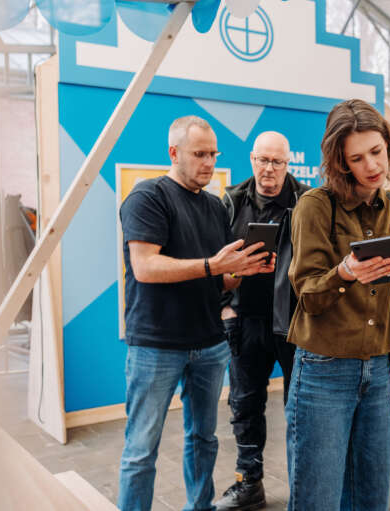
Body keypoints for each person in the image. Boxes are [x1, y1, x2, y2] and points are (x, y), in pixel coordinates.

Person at [117, 116, 275, 511]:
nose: (209, 163)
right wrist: (213, 265)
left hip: (209, 344)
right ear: (174, 153)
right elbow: (145, 267)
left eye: (213, 154)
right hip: (156, 345)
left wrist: (243, 269)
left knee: (204, 439)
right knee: (140, 450)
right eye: (199, 154)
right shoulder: (148, 196)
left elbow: (221, 281)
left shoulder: (215, 207)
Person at [284, 98, 390, 510]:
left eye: (377, 151)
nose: (372, 166)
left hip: (378, 369)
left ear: (389, 145)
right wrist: (344, 273)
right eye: (357, 159)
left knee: (371, 498)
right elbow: (307, 295)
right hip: (322, 370)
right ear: (340, 162)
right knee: (316, 500)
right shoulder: (315, 206)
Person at [215, 132, 310, 511]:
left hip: (294, 323)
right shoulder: (230, 202)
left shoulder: (307, 202)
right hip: (245, 321)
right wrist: (226, 307)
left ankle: (304, 488)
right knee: (244, 405)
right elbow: (215, 258)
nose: (269, 169)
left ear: (288, 164)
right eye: (263, 160)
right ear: (252, 159)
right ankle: (249, 484)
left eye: (277, 162)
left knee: (300, 409)